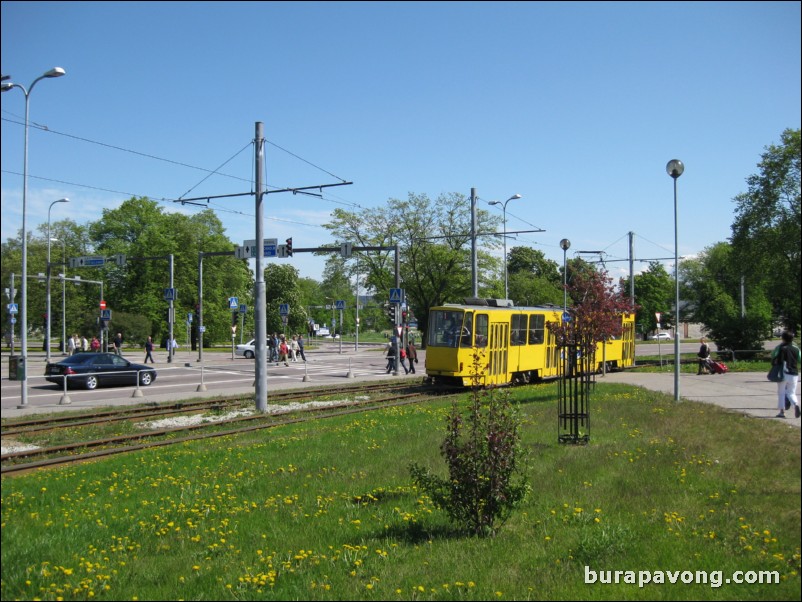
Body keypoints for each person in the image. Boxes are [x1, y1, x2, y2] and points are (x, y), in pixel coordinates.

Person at [771, 331, 800, 419]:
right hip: (794, 373)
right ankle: (795, 404)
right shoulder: (796, 348)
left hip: (783, 373)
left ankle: (782, 412)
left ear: (783, 338)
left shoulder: (780, 347)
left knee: (781, 393)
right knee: (791, 393)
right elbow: (799, 359)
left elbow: (773, 356)